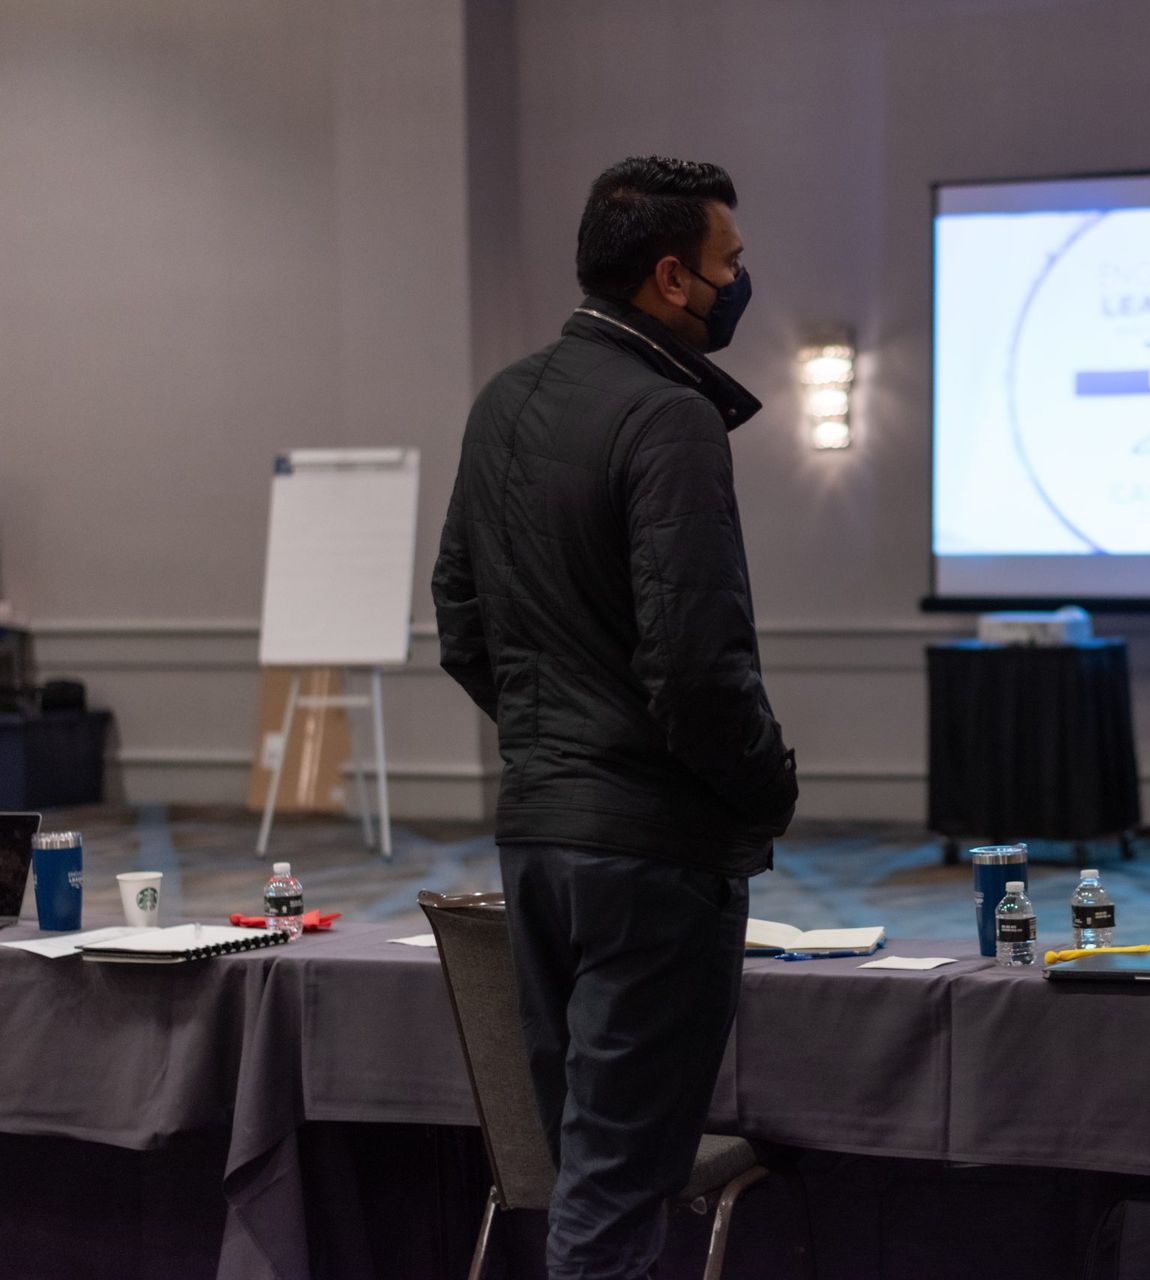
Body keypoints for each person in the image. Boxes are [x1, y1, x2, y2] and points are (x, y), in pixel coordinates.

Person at [432, 155, 798, 1280]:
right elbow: (696, 668)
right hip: (648, 855)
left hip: (537, 836)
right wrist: (768, 783)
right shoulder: (669, 415)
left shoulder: (505, 400)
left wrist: (556, 736)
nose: (744, 282)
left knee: (581, 1162)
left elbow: (459, 622)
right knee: (617, 1186)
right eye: (732, 264)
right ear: (673, 277)